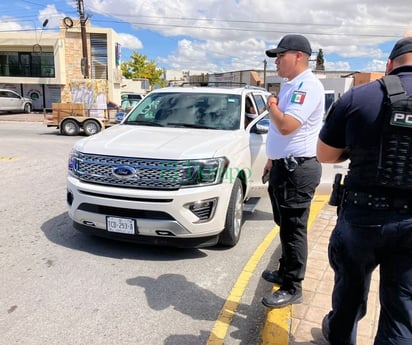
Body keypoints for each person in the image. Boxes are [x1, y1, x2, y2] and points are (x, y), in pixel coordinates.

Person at [317, 37, 412, 345]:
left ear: (389, 65)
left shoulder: (360, 96)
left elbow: (325, 155)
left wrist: (356, 150)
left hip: (362, 217)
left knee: (348, 297)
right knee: (402, 310)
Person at [260, 34, 324, 308]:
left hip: (297, 170)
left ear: (298, 56)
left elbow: (287, 125)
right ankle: (285, 270)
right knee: (285, 226)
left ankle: (292, 286)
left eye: (280, 56)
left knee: (294, 229)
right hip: (284, 166)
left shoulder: (307, 86)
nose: (276, 62)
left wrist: (271, 105)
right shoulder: (290, 85)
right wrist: (272, 158)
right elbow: (281, 133)